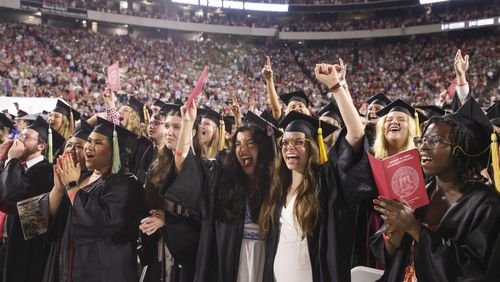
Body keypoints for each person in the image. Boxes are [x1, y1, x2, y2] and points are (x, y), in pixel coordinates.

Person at [371, 98, 500, 281]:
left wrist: (414, 228)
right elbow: (388, 255)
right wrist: (395, 231)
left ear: (459, 149)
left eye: (434, 141)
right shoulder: (419, 190)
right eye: (422, 140)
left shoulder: (486, 205)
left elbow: (474, 271)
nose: (423, 146)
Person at [162, 103, 279, 282]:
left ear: (262, 149)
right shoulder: (222, 176)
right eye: (238, 144)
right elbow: (186, 164)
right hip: (230, 261)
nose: (243, 149)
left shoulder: (278, 184)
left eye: (250, 143)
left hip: (266, 261)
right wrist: (187, 123)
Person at [39, 117, 144, 282]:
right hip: (63, 268)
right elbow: (34, 221)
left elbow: (100, 221)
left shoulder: (126, 183)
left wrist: (72, 187)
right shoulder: (79, 178)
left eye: (98, 142)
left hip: (100, 272)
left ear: (114, 150)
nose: (89, 146)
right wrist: (59, 189)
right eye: (88, 141)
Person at [0, 116, 64, 282]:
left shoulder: (47, 173)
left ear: (41, 146)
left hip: (28, 252)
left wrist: (12, 159)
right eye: (20, 135)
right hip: (8, 245)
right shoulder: (15, 167)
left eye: (26, 137)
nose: (19, 140)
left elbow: (9, 199)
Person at [262, 56, 312, 122]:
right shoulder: (284, 121)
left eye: (300, 106)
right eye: (293, 107)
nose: (297, 108)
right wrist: (269, 80)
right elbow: (276, 109)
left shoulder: (313, 126)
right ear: (287, 110)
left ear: (307, 110)